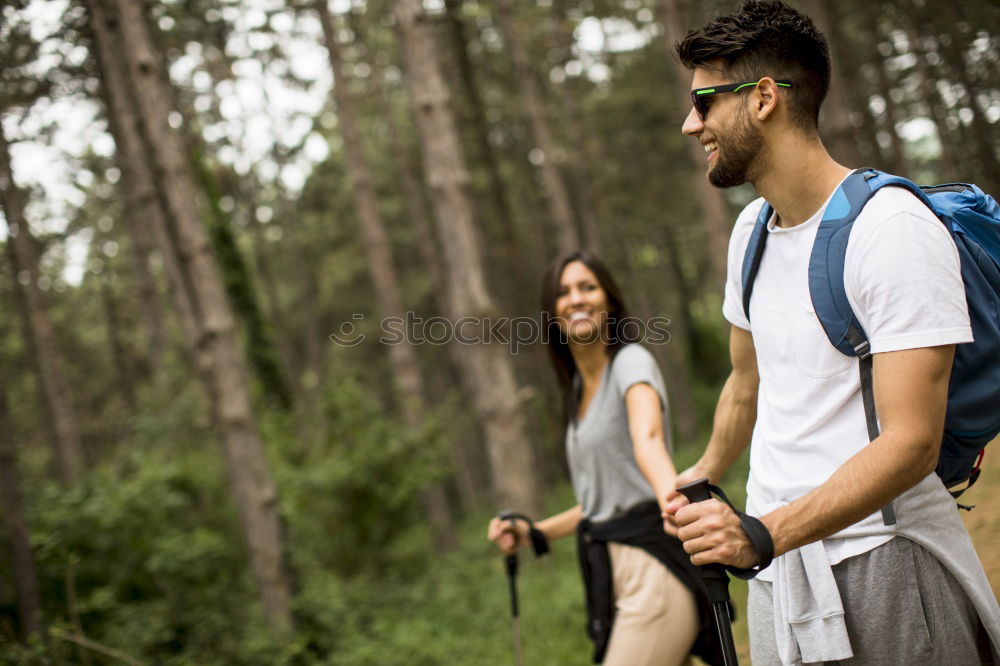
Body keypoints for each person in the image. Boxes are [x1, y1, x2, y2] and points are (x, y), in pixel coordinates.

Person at [661, 1, 1000, 664]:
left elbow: (912, 444)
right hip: (780, 568)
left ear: (763, 99)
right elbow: (747, 379)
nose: (688, 123)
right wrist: (703, 473)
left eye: (704, 101)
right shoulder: (750, 233)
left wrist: (761, 534)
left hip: (887, 558)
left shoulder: (890, 230)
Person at [487, 250, 720, 665]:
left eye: (586, 287)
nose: (575, 298)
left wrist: (672, 496)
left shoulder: (630, 362)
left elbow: (646, 436)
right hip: (612, 575)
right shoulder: (576, 388)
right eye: (563, 292)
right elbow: (601, 503)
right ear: (552, 313)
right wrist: (535, 532)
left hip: (653, 570)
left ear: (608, 301)